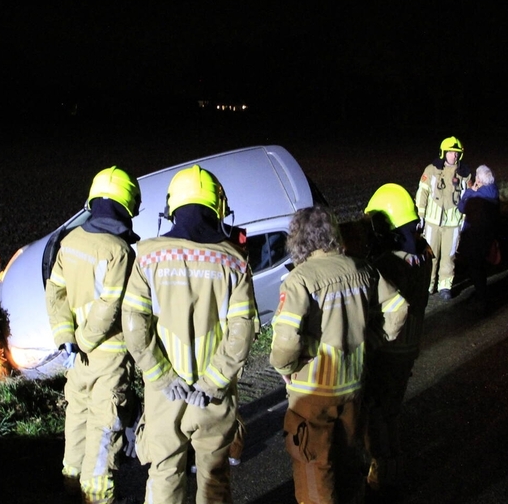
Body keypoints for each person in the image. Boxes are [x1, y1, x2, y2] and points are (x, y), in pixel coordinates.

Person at [121, 165, 258, 504]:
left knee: (165, 471)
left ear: (171, 208)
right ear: (218, 207)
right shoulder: (235, 263)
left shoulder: (148, 257)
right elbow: (241, 333)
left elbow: (135, 325)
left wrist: (163, 378)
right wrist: (211, 383)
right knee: (213, 477)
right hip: (212, 399)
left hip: (164, 396)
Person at [269, 204, 402, 504]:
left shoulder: (299, 280)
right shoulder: (361, 268)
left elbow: (286, 342)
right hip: (353, 386)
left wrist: (286, 368)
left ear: (298, 240)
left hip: (313, 392)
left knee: (313, 467)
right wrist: (372, 340)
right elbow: (398, 311)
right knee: (349, 461)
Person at [45, 166, 142, 504]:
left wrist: (66, 339)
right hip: (107, 358)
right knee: (104, 434)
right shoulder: (119, 251)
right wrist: (85, 340)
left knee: (76, 427)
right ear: (128, 206)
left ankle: (71, 492)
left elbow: (54, 293)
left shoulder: (70, 241)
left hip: (76, 361)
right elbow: (111, 306)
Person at [361, 183, 431, 492]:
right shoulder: (424, 255)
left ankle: (382, 472)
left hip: (388, 349)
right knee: (392, 410)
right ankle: (396, 464)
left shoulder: (386, 265)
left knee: (377, 410)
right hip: (410, 347)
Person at [415, 136, 472, 300]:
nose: (454, 156)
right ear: (443, 153)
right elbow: (422, 192)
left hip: (453, 224)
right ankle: (427, 285)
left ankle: (445, 286)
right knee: (430, 256)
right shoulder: (431, 170)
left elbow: (468, 198)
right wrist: (420, 214)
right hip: (432, 222)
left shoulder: (465, 174)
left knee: (449, 256)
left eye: (457, 153)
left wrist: (465, 220)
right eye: (451, 152)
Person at [456, 165, 501, 307]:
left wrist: (469, 191)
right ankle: (483, 293)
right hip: (488, 234)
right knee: (482, 264)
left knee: (475, 266)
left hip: (475, 236)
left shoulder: (476, 195)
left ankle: (481, 297)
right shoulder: (494, 191)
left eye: (477, 176)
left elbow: (462, 207)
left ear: (479, 179)